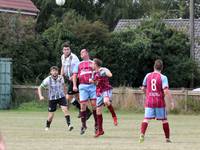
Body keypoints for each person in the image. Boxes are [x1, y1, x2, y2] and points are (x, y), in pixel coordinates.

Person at [139, 59, 174, 143]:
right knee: (164, 120)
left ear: (154, 67)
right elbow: (165, 90)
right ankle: (167, 138)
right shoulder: (163, 77)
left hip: (149, 101)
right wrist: (171, 101)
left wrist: (147, 94)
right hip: (159, 102)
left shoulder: (148, 75)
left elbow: (143, 88)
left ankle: (142, 135)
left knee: (146, 119)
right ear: (162, 68)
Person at [60, 42, 92, 119]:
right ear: (62, 51)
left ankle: (83, 111)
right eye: (65, 49)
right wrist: (61, 76)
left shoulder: (74, 58)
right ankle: (86, 111)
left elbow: (79, 68)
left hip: (76, 78)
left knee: (68, 97)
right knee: (78, 97)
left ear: (70, 50)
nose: (66, 51)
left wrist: (74, 76)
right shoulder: (62, 57)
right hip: (69, 78)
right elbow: (63, 66)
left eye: (67, 49)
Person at [38, 66, 73, 131]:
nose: (54, 72)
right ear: (51, 72)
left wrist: (66, 95)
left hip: (61, 97)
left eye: (56, 71)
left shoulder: (61, 78)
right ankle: (47, 126)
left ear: (58, 72)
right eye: (53, 71)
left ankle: (69, 125)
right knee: (51, 116)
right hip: (52, 99)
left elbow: (64, 86)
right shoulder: (47, 80)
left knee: (65, 109)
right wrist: (40, 96)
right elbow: (39, 88)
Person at [72, 49, 97, 135]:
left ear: (87, 53)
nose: (81, 54)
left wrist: (95, 80)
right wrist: (74, 85)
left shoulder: (93, 63)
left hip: (92, 86)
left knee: (94, 105)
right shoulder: (78, 64)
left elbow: (98, 73)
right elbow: (74, 75)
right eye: (80, 53)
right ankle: (83, 125)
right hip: (82, 86)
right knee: (82, 106)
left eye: (82, 52)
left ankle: (96, 125)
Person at [91, 58, 118, 138]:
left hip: (106, 89)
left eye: (92, 63)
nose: (91, 65)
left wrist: (105, 70)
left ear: (96, 64)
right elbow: (95, 83)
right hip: (99, 92)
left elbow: (110, 75)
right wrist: (93, 81)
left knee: (106, 101)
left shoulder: (103, 70)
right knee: (98, 111)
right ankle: (100, 131)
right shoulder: (93, 73)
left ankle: (114, 116)